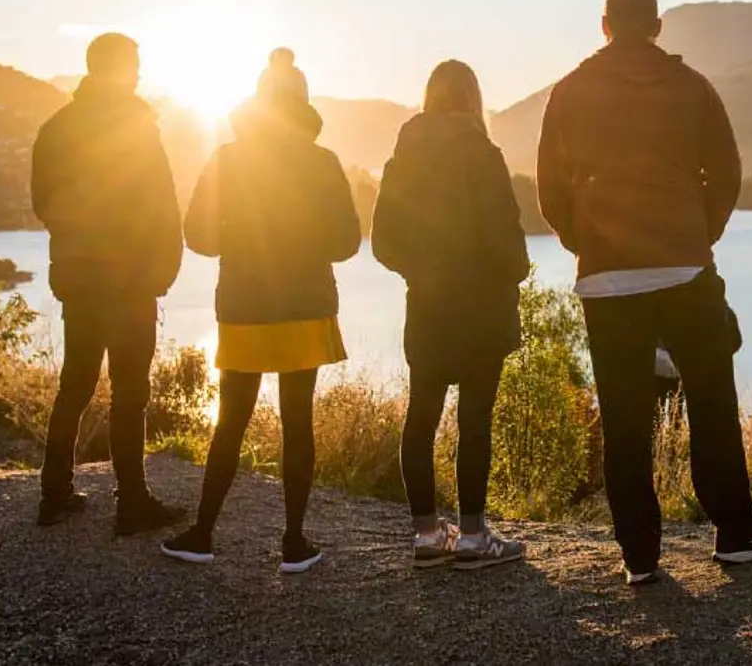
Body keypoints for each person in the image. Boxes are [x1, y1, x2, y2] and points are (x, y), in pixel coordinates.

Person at [537, 0, 752, 585]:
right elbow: (726, 172)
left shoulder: (569, 92)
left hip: (606, 281)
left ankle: (640, 556)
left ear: (604, 25)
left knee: (624, 417)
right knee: (711, 401)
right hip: (684, 268)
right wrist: (696, 234)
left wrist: (588, 243)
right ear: (656, 26)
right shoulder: (691, 86)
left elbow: (549, 190)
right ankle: (734, 533)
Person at [161, 49, 362, 573]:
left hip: (245, 305)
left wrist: (240, 237)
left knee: (231, 420)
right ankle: (294, 543)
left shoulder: (228, 158)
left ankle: (202, 535)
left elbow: (199, 236)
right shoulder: (322, 162)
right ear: (302, 105)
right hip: (305, 306)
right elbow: (345, 242)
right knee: (298, 423)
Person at [371, 60, 530, 570]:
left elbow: (382, 242)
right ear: (472, 99)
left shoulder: (402, 159)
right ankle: (474, 537)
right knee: (474, 418)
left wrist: (419, 270)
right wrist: (515, 271)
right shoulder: (482, 154)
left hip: (428, 306)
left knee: (421, 416)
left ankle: (425, 534)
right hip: (481, 307)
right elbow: (506, 236)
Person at [31, 32, 186, 533]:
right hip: (130, 279)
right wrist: (161, 266)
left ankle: (54, 494)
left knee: (73, 386)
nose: (139, 73)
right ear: (117, 69)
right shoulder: (138, 127)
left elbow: (44, 205)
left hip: (79, 277)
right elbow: (163, 202)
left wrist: (81, 237)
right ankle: (132, 502)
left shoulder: (57, 129)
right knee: (130, 392)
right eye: (134, 64)